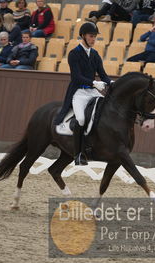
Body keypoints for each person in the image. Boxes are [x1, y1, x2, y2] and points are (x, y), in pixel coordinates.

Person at [53, 22, 112, 165]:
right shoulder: (74, 54)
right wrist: (93, 82)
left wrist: (111, 83)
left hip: (93, 92)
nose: (93, 39)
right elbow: (76, 77)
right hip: (79, 92)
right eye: (91, 36)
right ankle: (78, 154)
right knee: (80, 119)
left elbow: (103, 75)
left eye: (95, 37)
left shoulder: (95, 54)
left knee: (103, 114)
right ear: (83, 36)